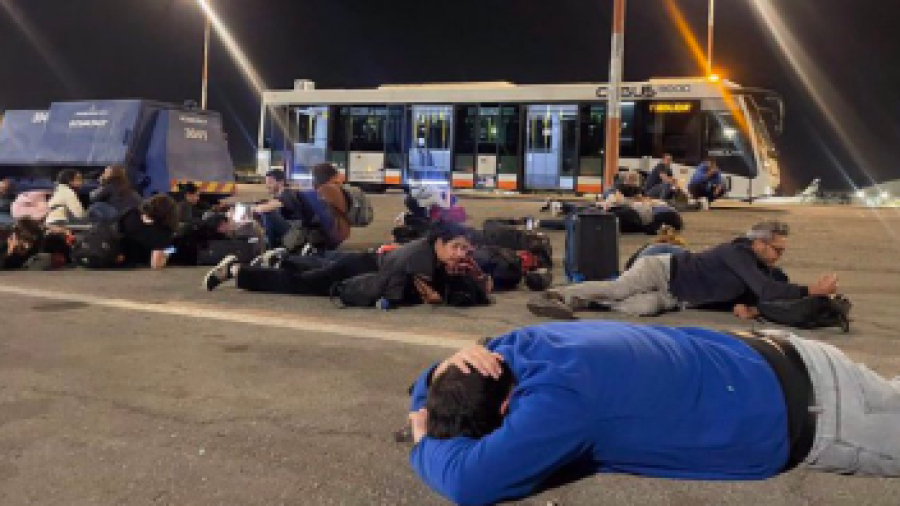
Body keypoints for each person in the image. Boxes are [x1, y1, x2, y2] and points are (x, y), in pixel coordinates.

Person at [407, 321, 900, 505]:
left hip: (826, 415)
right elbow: (442, 375)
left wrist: (423, 440)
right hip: (791, 356)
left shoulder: (558, 406)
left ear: (508, 407)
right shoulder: (520, 344)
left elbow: (470, 484)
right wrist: (434, 379)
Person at [527, 220, 838, 318]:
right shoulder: (738, 252)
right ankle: (556, 295)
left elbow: (765, 293)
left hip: (676, 297)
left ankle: (586, 301)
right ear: (758, 243)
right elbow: (767, 290)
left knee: (644, 308)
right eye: (776, 249)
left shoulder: (762, 268)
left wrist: (751, 309)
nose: (779, 256)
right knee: (619, 289)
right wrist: (812, 289)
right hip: (664, 269)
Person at [203, 222, 490, 306]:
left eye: (465, 249)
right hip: (359, 271)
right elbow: (428, 295)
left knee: (314, 274)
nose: (461, 254)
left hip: (363, 265)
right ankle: (238, 271)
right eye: (456, 247)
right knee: (303, 284)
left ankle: (281, 259)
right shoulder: (421, 258)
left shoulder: (429, 252)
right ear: (439, 242)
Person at [117, 194, 179, 269]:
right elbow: (156, 264)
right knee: (174, 248)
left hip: (114, 257)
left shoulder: (132, 213)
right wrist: (170, 250)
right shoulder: (163, 233)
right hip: (137, 265)